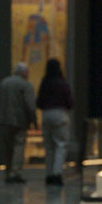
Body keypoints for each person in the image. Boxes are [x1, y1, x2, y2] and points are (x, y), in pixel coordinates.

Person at [36, 58, 74, 186]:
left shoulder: (44, 83)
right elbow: (70, 102)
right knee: (61, 145)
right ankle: (57, 174)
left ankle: (49, 174)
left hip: (46, 114)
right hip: (60, 114)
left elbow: (39, 102)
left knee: (49, 147)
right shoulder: (63, 83)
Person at [0, 62, 37, 184]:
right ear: (24, 72)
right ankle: (15, 172)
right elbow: (30, 105)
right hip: (20, 121)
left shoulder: (4, 83)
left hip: (4, 120)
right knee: (19, 146)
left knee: (8, 147)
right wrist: (34, 121)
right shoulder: (25, 85)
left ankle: (8, 172)